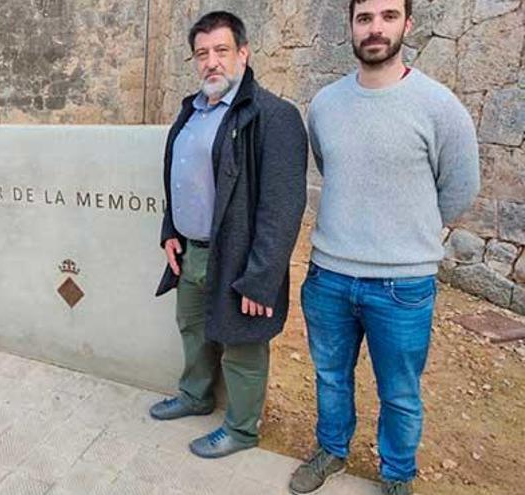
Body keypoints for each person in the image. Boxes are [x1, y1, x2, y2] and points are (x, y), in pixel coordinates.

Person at [287, 1, 480, 494]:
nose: (376, 28)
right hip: (328, 275)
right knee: (331, 376)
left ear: (407, 24)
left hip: (403, 284)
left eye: (388, 16)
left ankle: (397, 474)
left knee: (399, 393)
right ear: (350, 26)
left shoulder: (439, 106)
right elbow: (333, 169)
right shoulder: (325, 104)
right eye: (365, 18)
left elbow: (460, 188)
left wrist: (407, 234)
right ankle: (331, 451)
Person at [150, 11, 308, 459]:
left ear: (243, 53)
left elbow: (282, 207)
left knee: (242, 344)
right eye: (202, 53)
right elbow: (178, 179)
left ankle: (241, 429)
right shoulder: (191, 110)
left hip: (240, 258)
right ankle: (196, 396)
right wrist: (170, 230)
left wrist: (261, 278)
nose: (211, 62)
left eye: (221, 50)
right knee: (193, 329)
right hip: (191, 251)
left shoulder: (273, 116)